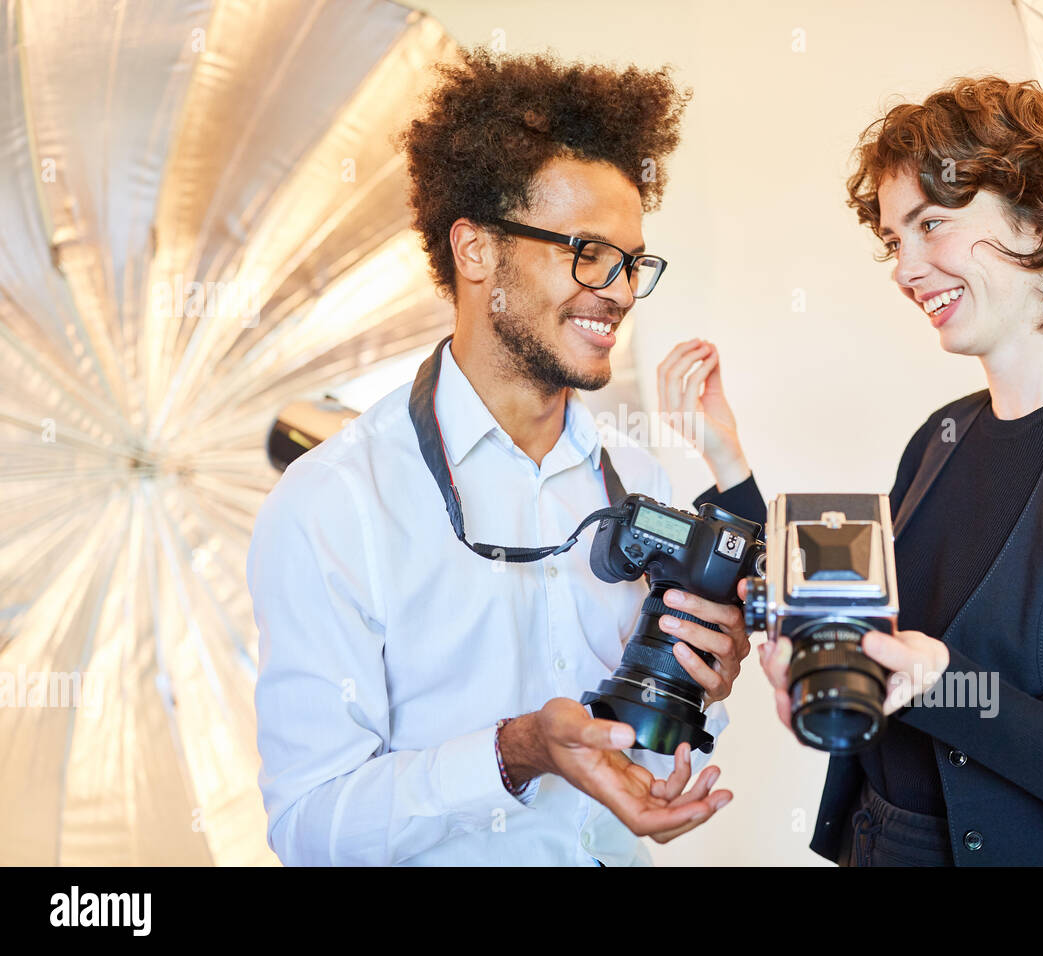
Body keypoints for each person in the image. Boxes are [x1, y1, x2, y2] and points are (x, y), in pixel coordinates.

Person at [658, 76, 1043, 866]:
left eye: (932, 224)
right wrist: (726, 460)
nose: (904, 268)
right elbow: (850, 616)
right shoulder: (942, 436)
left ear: (1037, 217)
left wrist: (943, 684)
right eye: (896, 240)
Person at [248, 49, 751, 866]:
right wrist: (514, 752)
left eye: (631, 263)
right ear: (476, 251)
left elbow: (652, 752)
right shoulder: (333, 503)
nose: (620, 290)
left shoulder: (638, 480)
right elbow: (310, 826)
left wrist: (700, 684)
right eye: (588, 253)